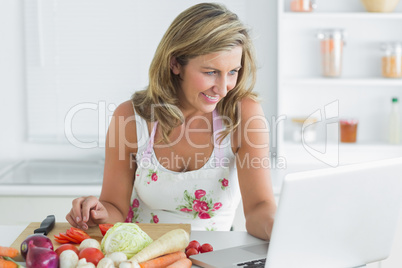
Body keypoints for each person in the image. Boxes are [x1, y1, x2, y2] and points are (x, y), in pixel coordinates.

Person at [66, 2, 276, 240]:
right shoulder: (130, 118)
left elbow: (260, 208)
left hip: (213, 255)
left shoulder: (243, 115)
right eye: (210, 72)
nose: (223, 88)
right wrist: (98, 213)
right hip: (141, 254)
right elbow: (114, 206)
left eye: (232, 72)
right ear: (175, 63)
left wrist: (279, 227)